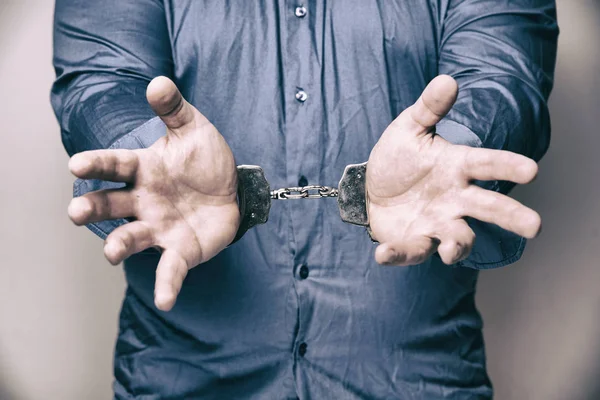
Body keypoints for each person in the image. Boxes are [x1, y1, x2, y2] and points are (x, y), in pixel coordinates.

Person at [51, 1, 558, 398]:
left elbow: (504, 73)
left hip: (415, 374)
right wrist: (142, 146)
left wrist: (458, 144)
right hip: (184, 374)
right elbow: (99, 79)